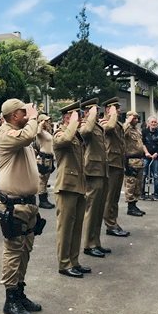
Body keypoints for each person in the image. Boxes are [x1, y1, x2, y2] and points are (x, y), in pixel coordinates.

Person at [0, 98, 44, 314]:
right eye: (25, 112)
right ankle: (10, 298)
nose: (30, 114)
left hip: (27, 203)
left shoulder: (22, 134)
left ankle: (20, 291)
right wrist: (33, 118)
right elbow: (28, 136)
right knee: (13, 251)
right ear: (15, 115)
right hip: (12, 204)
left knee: (25, 250)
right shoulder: (6, 134)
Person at [53, 102, 90, 278]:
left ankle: (74, 261)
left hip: (79, 186)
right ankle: (64, 263)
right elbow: (65, 140)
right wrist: (74, 122)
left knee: (76, 227)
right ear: (67, 117)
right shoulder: (60, 134)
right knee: (66, 227)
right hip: (66, 186)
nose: (80, 118)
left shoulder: (76, 136)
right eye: (76, 115)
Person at [80, 102, 111, 258]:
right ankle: (88, 244)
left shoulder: (97, 126)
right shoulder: (86, 125)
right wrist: (90, 115)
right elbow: (85, 133)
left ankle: (96, 242)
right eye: (94, 110)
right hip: (92, 171)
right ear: (86, 112)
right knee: (92, 209)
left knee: (99, 209)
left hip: (101, 170)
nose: (97, 113)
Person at [102, 99, 130, 236]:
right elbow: (109, 128)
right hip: (111, 162)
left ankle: (113, 221)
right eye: (115, 108)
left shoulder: (117, 123)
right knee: (110, 195)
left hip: (119, 162)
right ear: (108, 109)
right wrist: (112, 115)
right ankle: (110, 224)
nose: (119, 110)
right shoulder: (105, 122)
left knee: (115, 196)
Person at [123, 110, 146, 217]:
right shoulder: (126, 128)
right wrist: (128, 121)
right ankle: (130, 207)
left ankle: (134, 204)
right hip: (130, 160)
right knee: (130, 184)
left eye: (137, 118)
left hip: (139, 160)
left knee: (138, 184)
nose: (136, 120)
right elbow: (122, 133)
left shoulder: (137, 130)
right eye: (134, 118)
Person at [35, 114, 56, 209]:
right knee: (42, 180)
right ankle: (42, 201)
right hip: (43, 158)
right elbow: (38, 131)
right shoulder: (41, 132)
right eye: (47, 121)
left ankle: (45, 199)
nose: (49, 123)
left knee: (45, 179)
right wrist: (41, 123)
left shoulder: (47, 132)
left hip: (49, 158)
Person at [142, 116, 158, 200]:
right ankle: (142, 193)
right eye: (152, 122)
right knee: (143, 174)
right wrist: (146, 152)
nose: (154, 124)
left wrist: (156, 153)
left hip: (156, 156)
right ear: (148, 123)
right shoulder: (144, 132)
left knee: (156, 175)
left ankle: (156, 194)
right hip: (146, 155)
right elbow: (143, 143)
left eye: (155, 122)